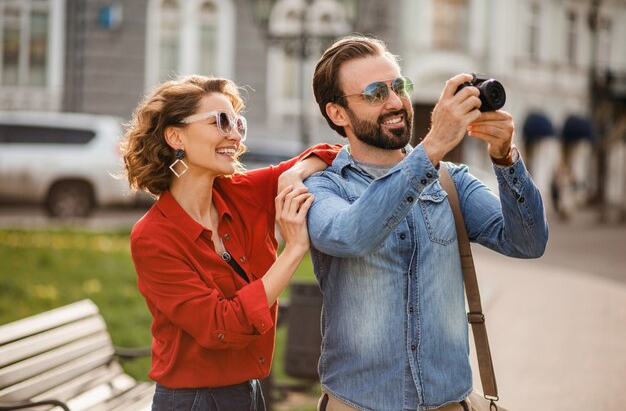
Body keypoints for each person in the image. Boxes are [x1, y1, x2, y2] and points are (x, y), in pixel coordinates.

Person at [304, 35, 549, 411]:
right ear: (337, 113)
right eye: (374, 93)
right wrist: (432, 146)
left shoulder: (451, 181)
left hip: (450, 404)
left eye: (398, 86)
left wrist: (505, 158)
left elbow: (528, 243)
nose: (394, 102)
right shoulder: (323, 187)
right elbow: (350, 236)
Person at [121, 74, 339, 411]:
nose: (234, 134)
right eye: (220, 122)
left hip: (249, 391)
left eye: (238, 123)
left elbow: (334, 153)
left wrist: (292, 175)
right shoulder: (152, 238)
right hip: (192, 400)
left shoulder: (243, 192)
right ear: (176, 136)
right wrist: (294, 250)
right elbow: (220, 327)